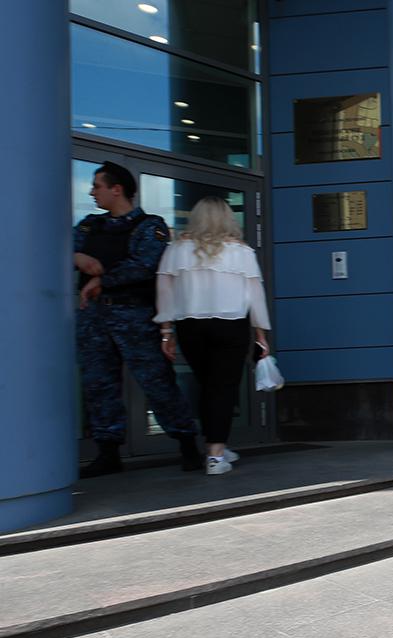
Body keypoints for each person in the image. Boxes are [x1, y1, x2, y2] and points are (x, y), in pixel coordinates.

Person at [74, 161, 201, 477]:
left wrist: (103, 279)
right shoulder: (89, 226)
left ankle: (187, 443)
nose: (92, 192)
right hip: (95, 319)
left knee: (158, 383)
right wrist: (76, 256)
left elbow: (145, 265)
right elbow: (58, 248)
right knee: (99, 385)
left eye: (97, 186)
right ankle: (108, 452)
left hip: (134, 316)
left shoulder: (149, 226)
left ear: (117, 189)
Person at [155, 197, 273, 474]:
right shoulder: (242, 252)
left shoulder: (176, 249)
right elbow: (255, 296)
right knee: (223, 388)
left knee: (207, 385)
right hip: (230, 324)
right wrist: (261, 335)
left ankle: (215, 445)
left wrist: (165, 331)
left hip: (190, 326)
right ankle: (216, 454)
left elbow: (164, 291)